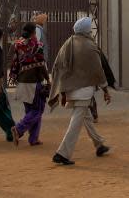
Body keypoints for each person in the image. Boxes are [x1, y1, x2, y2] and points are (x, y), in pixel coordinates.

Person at [48, 17, 111, 165]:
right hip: (83, 91)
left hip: (71, 89)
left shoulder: (67, 43)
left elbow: (58, 67)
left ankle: (99, 144)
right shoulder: (90, 46)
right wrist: (105, 90)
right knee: (75, 123)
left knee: (86, 117)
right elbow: (98, 70)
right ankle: (62, 153)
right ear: (88, 31)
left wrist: (61, 91)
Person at [9, 22, 50, 146]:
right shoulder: (37, 45)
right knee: (38, 110)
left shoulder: (17, 45)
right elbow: (41, 65)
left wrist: (14, 76)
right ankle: (18, 129)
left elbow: (14, 62)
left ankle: (33, 138)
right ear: (33, 33)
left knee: (30, 111)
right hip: (34, 82)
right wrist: (48, 79)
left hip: (22, 81)